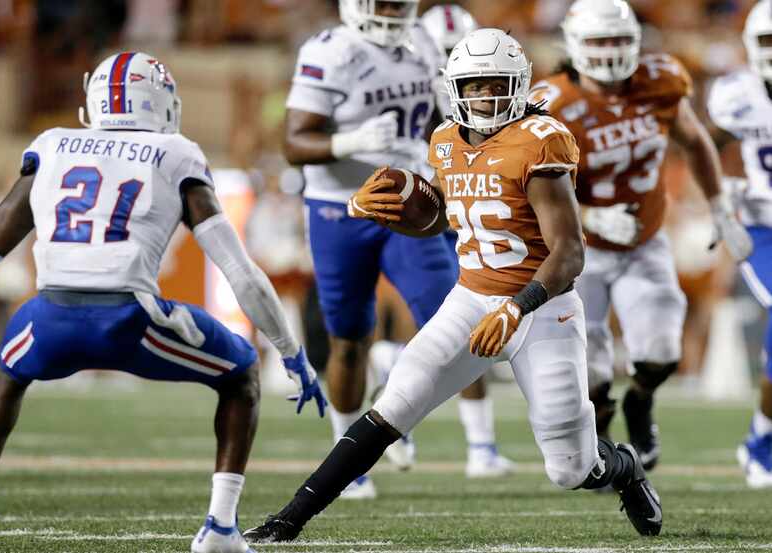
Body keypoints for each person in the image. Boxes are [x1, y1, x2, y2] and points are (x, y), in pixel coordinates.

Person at [243, 28, 663, 544]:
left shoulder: (540, 138)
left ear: (520, 84)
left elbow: (570, 252)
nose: (486, 96)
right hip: (470, 300)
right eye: (475, 85)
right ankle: (288, 521)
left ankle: (623, 466)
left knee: (570, 469)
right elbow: (444, 216)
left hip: (543, 306)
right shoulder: (444, 141)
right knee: (394, 404)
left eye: (496, 84)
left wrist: (518, 306)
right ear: (454, 87)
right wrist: (388, 210)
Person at [0, 51, 327, 553]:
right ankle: (220, 528)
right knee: (242, 374)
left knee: (7, 374)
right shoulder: (175, 153)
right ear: (159, 102)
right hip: (129, 318)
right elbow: (241, 274)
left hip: (49, 316)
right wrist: (292, 352)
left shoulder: (53, 146)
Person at [285, 0, 508, 492]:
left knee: (459, 322)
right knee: (347, 338)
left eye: (398, 2)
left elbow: (438, 120)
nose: (391, 10)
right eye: (382, 2)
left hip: (410, 200)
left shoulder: (422, 42)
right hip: (339, 206)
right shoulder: (329, 50)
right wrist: (349, 142)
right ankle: (348, 462)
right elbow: (294, 142)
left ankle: (466, 435)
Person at [529, 0, 752, 470]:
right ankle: (607, 448)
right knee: (586, 371)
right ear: (573, 46)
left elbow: (695, 141)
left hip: (643, 241)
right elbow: (527, 188)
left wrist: (719, 206)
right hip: (576, 251)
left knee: (660, 354)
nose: (609, 52)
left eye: (617, 40)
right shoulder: (551, 104)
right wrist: (587, 216)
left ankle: (641, 401)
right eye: (598, 42)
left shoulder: (660, 80)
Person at [708, 0, 772, 489]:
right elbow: (700, 144)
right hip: (761, 224)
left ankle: (761, 434)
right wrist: (718, 194)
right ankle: (762, 440)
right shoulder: (735, 94)